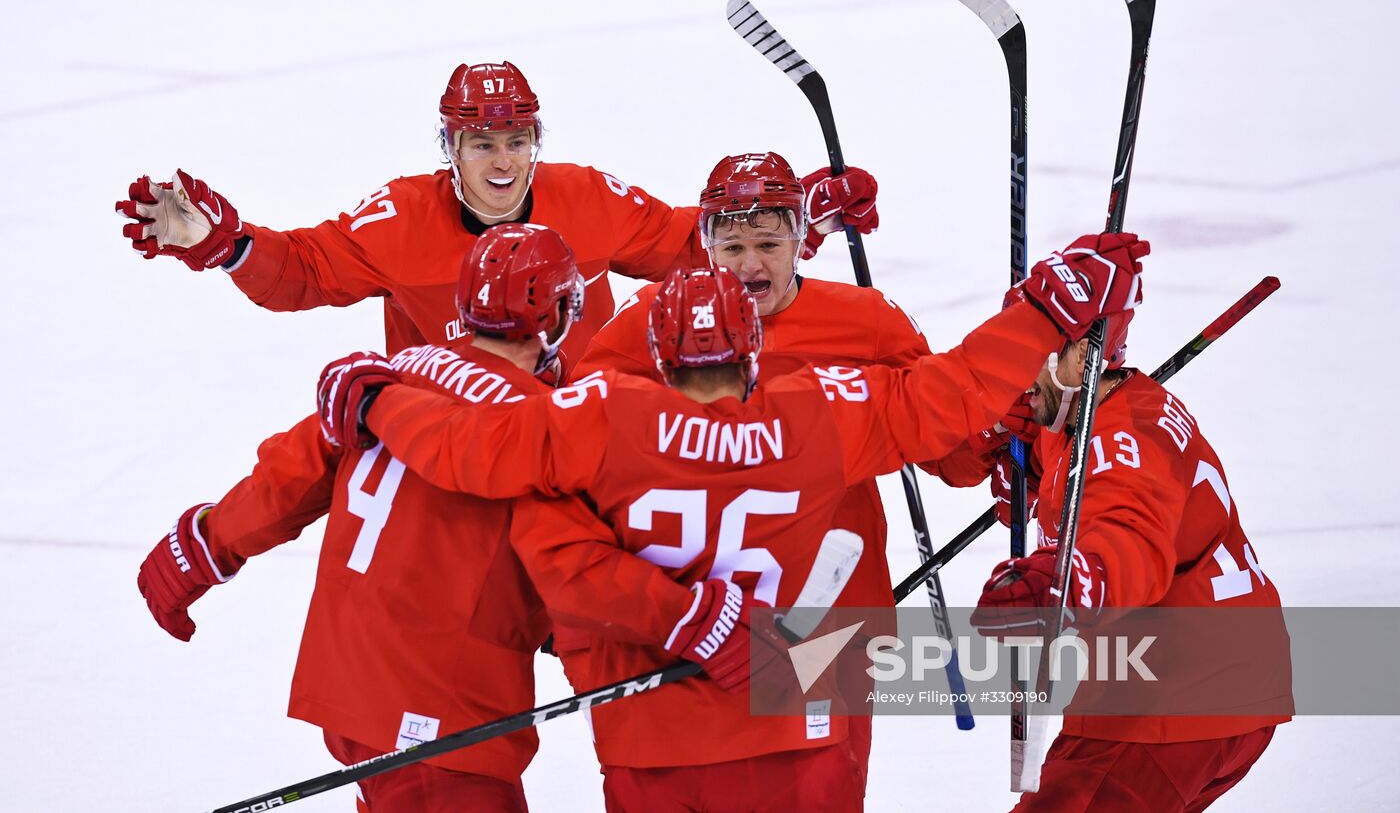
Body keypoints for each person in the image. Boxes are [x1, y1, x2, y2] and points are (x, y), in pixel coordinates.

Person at [317, 233, 1148, 811]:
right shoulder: (821, 407)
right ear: (754, 352)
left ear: (659, 356)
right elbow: (950, 397)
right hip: (802, 728)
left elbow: (475, 452)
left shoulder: (601, 414)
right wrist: (1044, 310)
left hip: (655, 746)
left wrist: (382, 397)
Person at [135, 223, 612, 812]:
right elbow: (582, 579)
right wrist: (636, 695)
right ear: (562, 310)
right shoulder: (540, 431)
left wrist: (202, 548)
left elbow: (290, 475)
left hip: (352, 680)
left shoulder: (390, 373)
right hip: (444, 701)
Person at [575, 150, 987, 783]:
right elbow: (576, 438)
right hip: (701, 618)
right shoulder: (649, 324)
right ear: (705, 244)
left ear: (801, 236)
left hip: (834, 609)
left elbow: (948, 448)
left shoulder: (867, 321)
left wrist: (1001, 440)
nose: (749, 265)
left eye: (769, 242)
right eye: (731, 245)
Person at [113, 61, 879, 368]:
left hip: (584, 444)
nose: (503, 161)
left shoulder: (588, 198)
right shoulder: (399, 219)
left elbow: (692, 243)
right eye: (482, 142)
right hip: (465, 453)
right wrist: (223, 242)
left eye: (517, 139)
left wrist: (793, 210)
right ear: (450, 147)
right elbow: (304, 274)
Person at [970, 299, 1291, 812]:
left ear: (1078, 359)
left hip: (1173, 700)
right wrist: (1028, 464)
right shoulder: (1091, 407)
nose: (1008, 373)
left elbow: (1129, 540)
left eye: (1021, 354)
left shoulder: (1120, 442)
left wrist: (1068, 581)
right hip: (1212, 684)